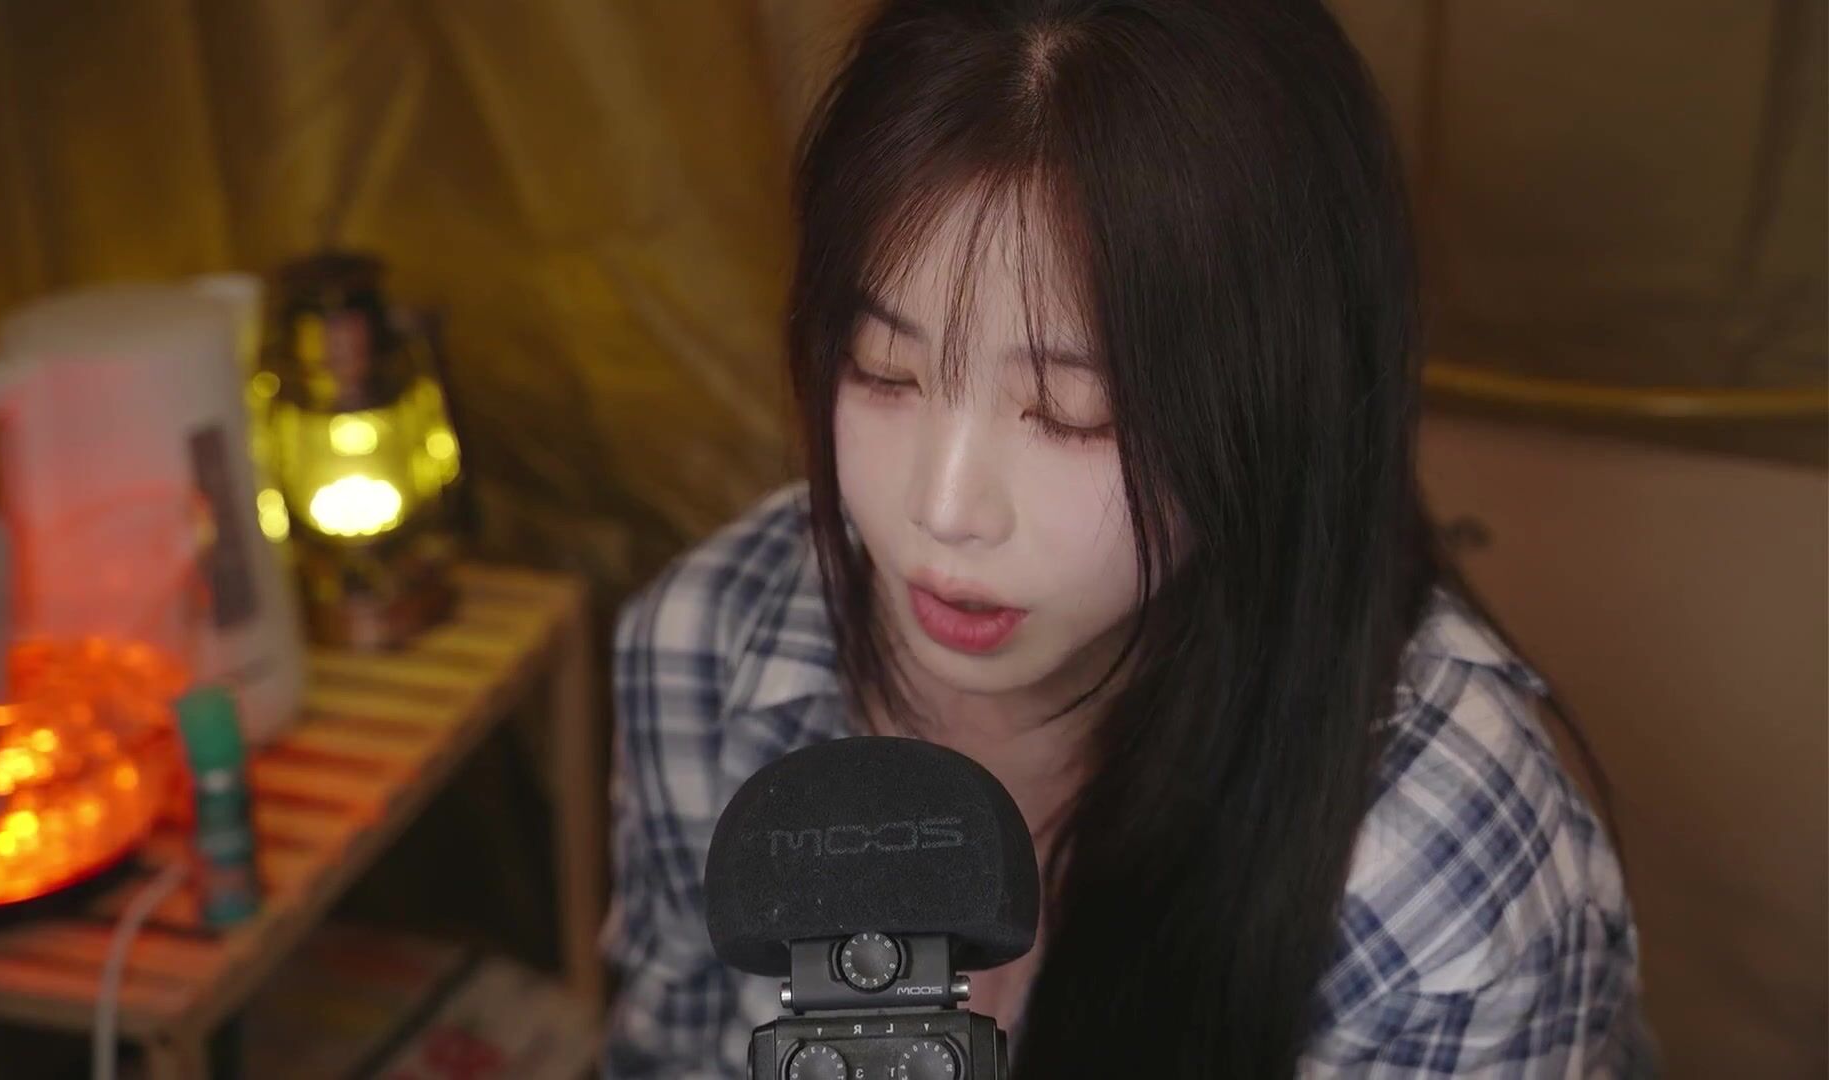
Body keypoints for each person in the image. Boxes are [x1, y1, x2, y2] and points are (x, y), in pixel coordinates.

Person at [604, 1, 1651, 1075]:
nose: (945, 509)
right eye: (884, 370)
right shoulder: (703, 642)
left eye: (1071, 414)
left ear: (1274, 403)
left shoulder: (1438, 870)